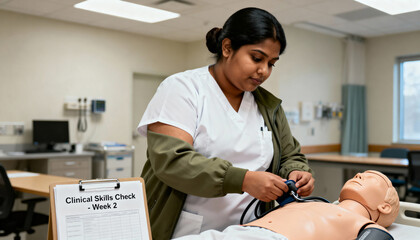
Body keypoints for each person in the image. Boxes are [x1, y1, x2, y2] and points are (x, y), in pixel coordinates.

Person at [137, 7, 314, 240]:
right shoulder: (183, 88)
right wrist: (243, 180)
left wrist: (297, 172)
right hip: (185, 229)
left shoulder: (268, 105)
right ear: (227, 48)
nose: (263, 71)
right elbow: (172, 161)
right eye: (257, 58)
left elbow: (290, 155)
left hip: (249, 230)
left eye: (272, 63)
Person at [173, 170, 400, 240]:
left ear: (385, 207)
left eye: (372, 178)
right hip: (230, 234)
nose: (360, 174)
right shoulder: (314, 203)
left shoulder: (366, 226)